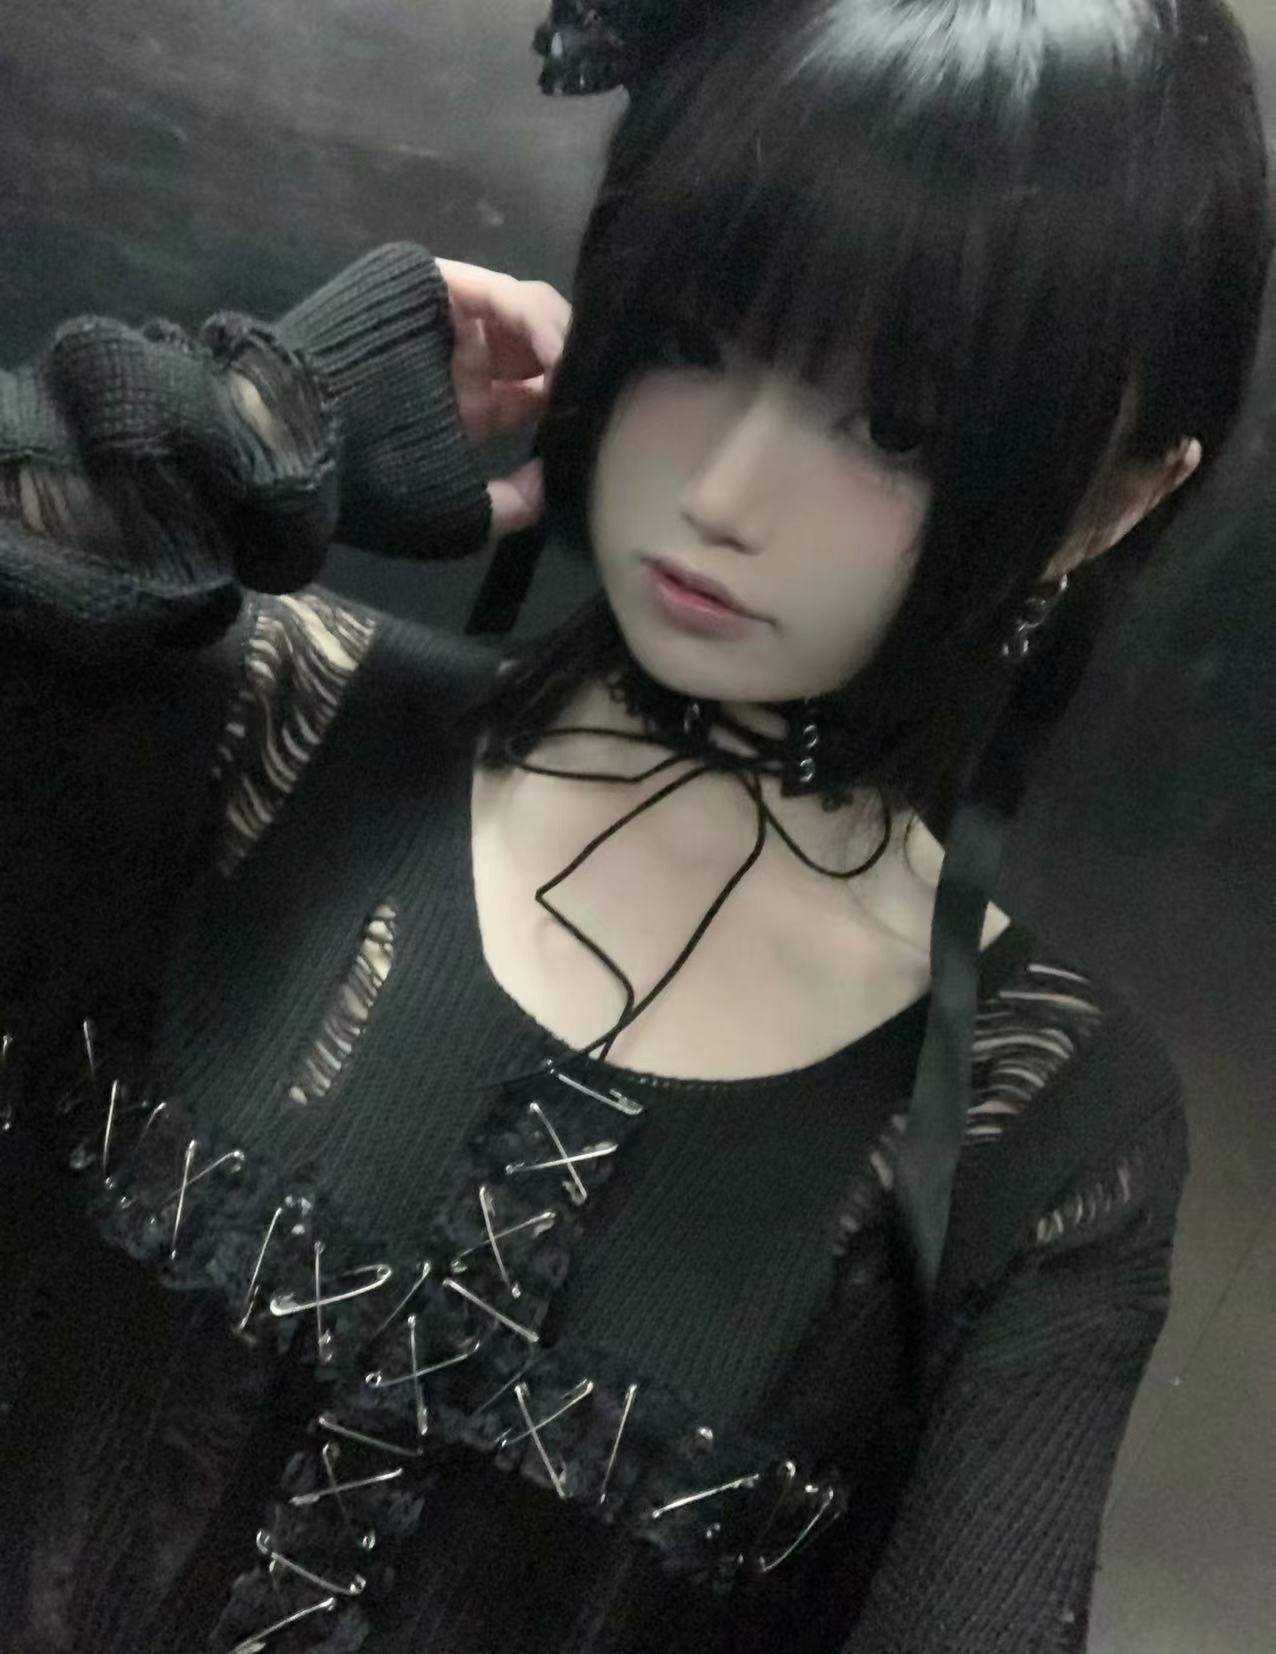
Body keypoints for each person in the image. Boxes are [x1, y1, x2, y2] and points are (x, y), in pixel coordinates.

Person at [0, 0, 1269, 1649]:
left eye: (895, 425)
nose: (722, 493)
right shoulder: (257, 713)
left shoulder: (1045, 1119)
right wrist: (254, 424)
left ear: (1115, 496)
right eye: (695, 335)